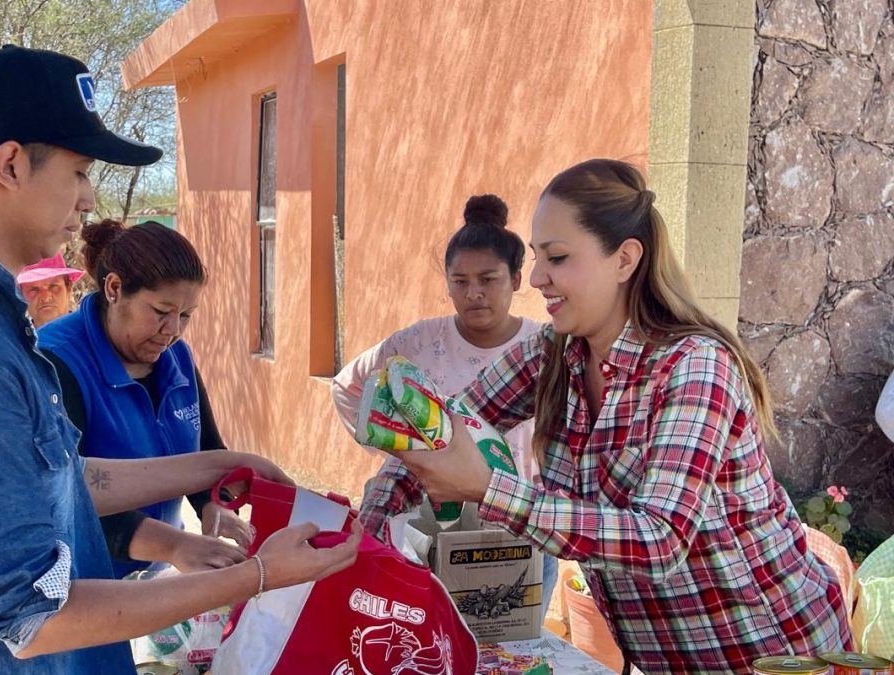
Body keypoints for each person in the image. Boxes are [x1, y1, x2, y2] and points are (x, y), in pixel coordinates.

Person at [0, 45, 359, 675]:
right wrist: (259, 574)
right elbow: (31, 618)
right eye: (80, 171)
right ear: (10, 164)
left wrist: (222, 463)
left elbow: (57, 478)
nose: (90, 200)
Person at [361, 159, 852, 674]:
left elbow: (660, 539)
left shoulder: (693, 367)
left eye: (558, 257)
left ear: (625, 259)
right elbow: (445, 421)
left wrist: (488, 489)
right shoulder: (553, 355)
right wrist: (365, 530)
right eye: (536, 257)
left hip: (776, 652)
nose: (536, 277)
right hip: (666, 658)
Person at [332, 193, 557, 617]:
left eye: (488, 279)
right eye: (460, 281)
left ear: (517, 278)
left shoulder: (544, 349)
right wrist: (400, 454)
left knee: (511, 648)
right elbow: (348, 387)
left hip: (518, 530)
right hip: (428, 529)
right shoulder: (416, 342)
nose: (473, 294)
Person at [39, 218, 251, 578]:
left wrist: (212, 506)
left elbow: (204, 453)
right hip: (83, 584)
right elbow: (62, 496)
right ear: (114, 288)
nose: (172, 331)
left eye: (185, 316)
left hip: (161, 573)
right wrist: (172, 545)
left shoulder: (176, 357)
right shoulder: (56, 362)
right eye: (161, 312)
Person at [17, 253, 84, 328]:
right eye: (34, 290)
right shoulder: (13, 338)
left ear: (69, 288)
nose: (45, 297)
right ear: (21, 296)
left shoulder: (91, 333)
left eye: (53, 286)